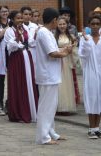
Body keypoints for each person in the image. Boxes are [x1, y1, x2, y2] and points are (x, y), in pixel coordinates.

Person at [35, 8, 72, 145]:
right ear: (54, 20)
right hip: (47, 75)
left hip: (50, 74)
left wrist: (64, 50)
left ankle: (51, 133)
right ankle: (43, 137)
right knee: (46, 107)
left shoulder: (47, 33)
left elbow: (55, 50)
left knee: (51, 106)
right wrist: (66, 53)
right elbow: (53, 54)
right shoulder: (44, 33)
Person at [4, 10, 38, 123]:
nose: (20, 20)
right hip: (16, 59)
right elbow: (11, 46)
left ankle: (30, 110)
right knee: (18, 83)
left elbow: (31, 42)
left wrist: (37, 34)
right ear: (12, 20)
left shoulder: (25, 29)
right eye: (17, 18)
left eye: (21, 18)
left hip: (27, 57)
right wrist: (18, 35)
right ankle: (18, 112)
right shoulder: (9, 31)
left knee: (28, 82)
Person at [78, 15, 101, 139]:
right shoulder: (86, 39)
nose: (95, 26)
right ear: (89, 25)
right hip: (90, 71)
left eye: (97, 24)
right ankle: (91, 128)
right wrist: (85, 41)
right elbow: (83, 55)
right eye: (93, 24)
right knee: (92, 98)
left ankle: (97, 127)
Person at [54, 16, 77, 114]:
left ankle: (67, 106)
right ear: (57, 25)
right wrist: (63, 50)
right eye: (60, 24)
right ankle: (58, 106)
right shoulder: (54, 37)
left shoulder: (71, 37)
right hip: (58, 61)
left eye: (64, 24)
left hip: (67, 61)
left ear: (67, 25)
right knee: (59, 83)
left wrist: (71, 50)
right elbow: (52, 50)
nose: (62, 26)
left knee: (67, 83)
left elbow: (75, 51)